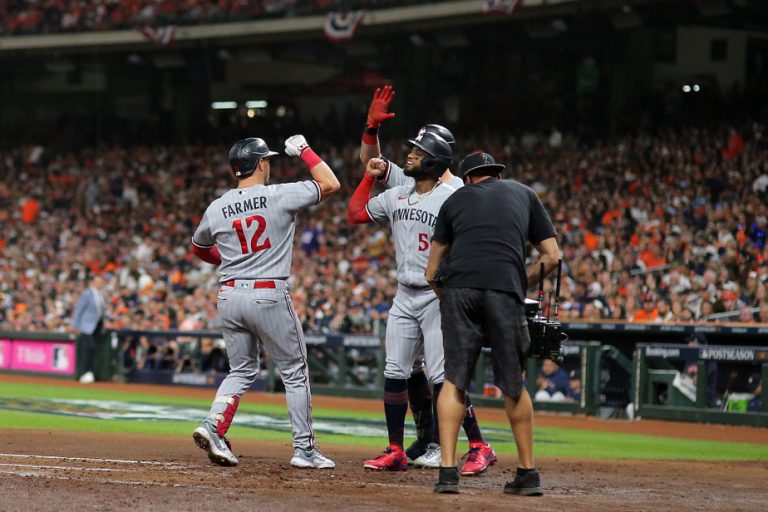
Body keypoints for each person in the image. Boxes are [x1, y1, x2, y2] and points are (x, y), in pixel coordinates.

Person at [358, 86, 495, 475]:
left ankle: (479, 444)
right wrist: (370, 129)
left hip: (442, 293)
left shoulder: (457, 193)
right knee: (404, 369)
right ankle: (419, 442)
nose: (410, 155)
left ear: (433, 156)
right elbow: (370, 164)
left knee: (443, 375)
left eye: (418, 150)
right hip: (407, 292)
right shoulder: (412, 181)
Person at [190, 135, 340, 469]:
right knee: (295, 371)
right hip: (267, 292)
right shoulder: (278, 193)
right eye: (267, 159)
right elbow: (330, 183)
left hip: (229, 294)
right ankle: (304, 450)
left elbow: (198, 247)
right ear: (261, 163)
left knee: (241, 369)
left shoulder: (217, 206)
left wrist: (228, 260)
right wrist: (304, 151)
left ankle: (214, 426)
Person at [426, 152, 559, 495]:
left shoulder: (455, 199)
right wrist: (517, 284)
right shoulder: (525, 193)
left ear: (468, 178)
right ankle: (528, 473)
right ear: (497, 176)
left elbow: (430, 272)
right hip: (505, 290)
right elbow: (552, 257)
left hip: (460, 289)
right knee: (513, 384)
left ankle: (447, 473)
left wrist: (449, 294)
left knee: (454, 381)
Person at [71, 274, 107, 384]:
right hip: (87, 326)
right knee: (89, 348)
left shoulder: (101, 294)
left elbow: (101, 311)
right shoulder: (87, 294)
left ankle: (90, 372)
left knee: (94, 349)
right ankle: (86, 372)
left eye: (101, 281)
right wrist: (75, 325)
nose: (100, 283)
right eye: (98, 281)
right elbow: (79, 309)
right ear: (93, 282)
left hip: (97, 326)